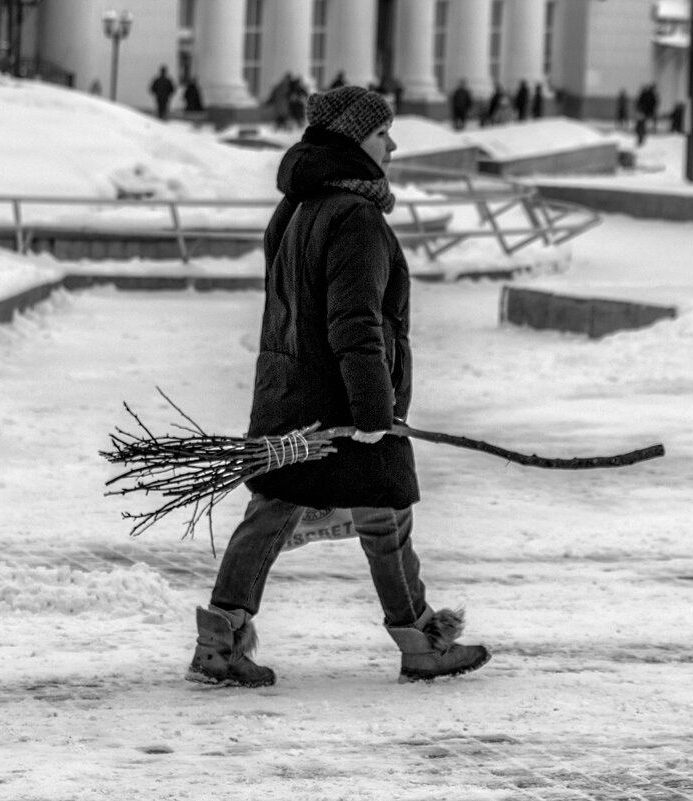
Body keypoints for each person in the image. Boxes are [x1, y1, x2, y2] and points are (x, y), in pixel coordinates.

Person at [185, 85, 491, 688]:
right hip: (342, 403)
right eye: (383, 134)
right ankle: (420, 642)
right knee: (375, 515)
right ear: (355, 141)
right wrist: (374, 409)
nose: (393, 144)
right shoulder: (354, 215)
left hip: (291, 389)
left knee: (299, 513)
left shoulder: (298, 206)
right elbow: (355, 321)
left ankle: (223, 641)